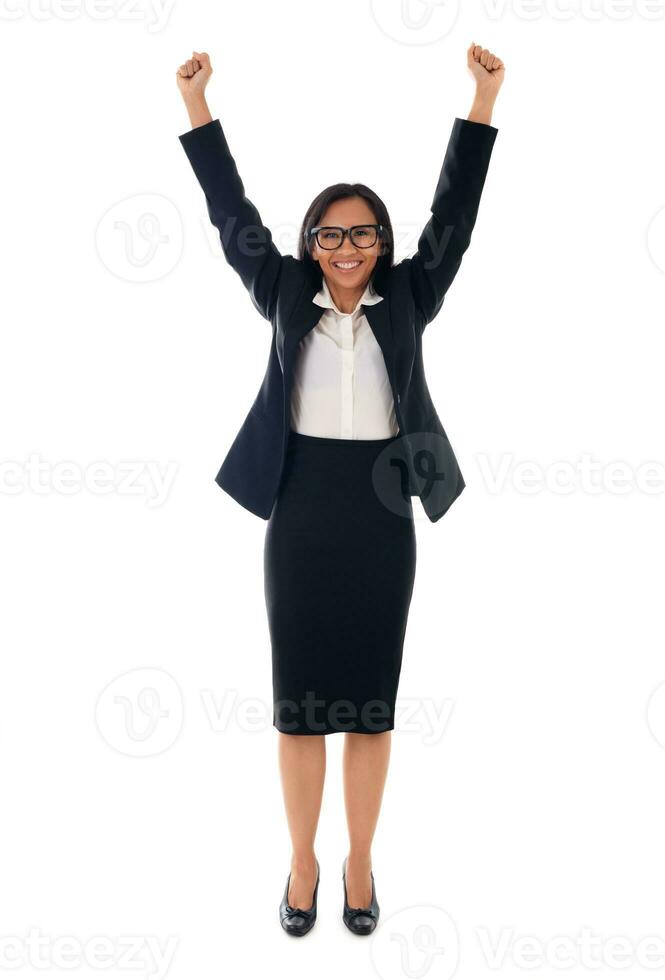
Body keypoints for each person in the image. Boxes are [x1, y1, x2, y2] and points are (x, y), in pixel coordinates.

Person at [176, 42, 504, 937]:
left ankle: (359, 861)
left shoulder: (410, 294)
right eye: (332, 234)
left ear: (382, 244)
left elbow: (456, 216)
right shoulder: (281, 290)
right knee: (298, 706)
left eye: (363, 234)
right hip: (300, 508)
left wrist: (480, 101)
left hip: (380, 510)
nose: (348, 248)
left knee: (367, 700)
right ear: (309, 243)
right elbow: (227, 212)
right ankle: (301, 861)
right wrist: (200, 110)